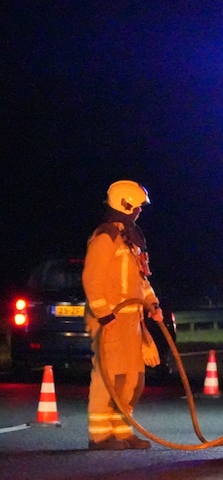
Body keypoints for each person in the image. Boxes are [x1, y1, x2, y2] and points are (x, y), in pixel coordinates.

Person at [83, 180, 162, 451]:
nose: (140, 211)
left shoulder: (131, 239)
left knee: (133, 379)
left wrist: (152, 303)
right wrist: (105, 316)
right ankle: (100, 435)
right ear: (125, 204)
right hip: (111, 321)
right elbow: (92, 279)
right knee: (111, 377)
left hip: (132, 321)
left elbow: (142, 279)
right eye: (137, 206)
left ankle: (121, 428)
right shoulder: (106, 237)